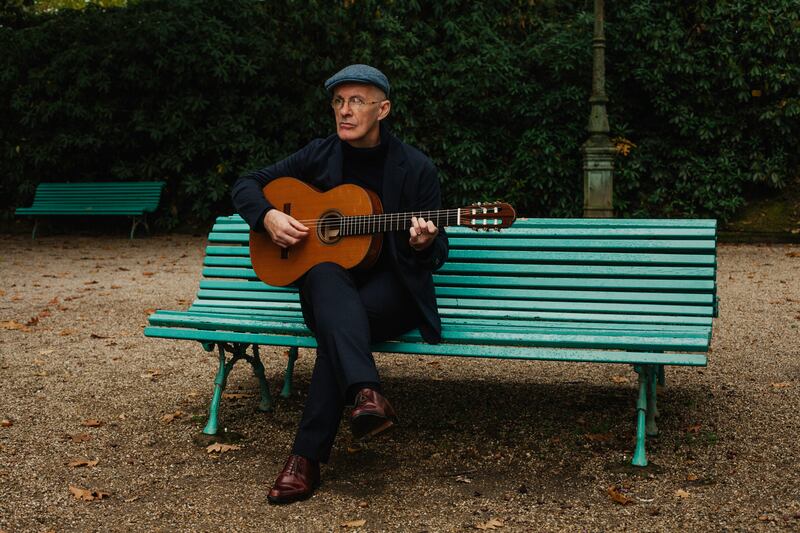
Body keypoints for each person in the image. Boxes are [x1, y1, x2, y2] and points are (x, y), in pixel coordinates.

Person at [231, 64, 448, 504]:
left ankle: (305, 458)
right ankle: (365, 393)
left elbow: (437, 253)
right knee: (326, 273)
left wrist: (424, 242)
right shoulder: (320, 154)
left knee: (337, 334)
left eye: (357, 101)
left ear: (382, 110)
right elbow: (246, 184)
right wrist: (267, 216)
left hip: (392, 292)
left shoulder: (415, 167)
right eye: (338, 102)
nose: (344, 111)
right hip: (329, 289)